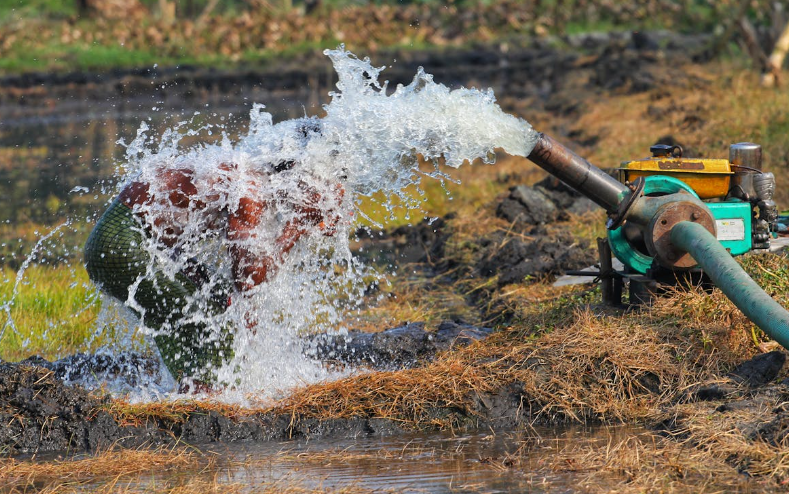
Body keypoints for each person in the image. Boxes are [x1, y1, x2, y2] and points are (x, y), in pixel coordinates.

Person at [84, 154, 341, 388]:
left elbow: (244, 286)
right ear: (300, 177)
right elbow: (248, 279)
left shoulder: (250, 176)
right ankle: (204, 404)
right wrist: (296, 226)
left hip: (132, 242)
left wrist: (310, 222)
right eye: (322, 191)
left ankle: (196, 392)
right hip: (121, 243)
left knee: (223, 301)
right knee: (224, 324)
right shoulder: (250, 188)